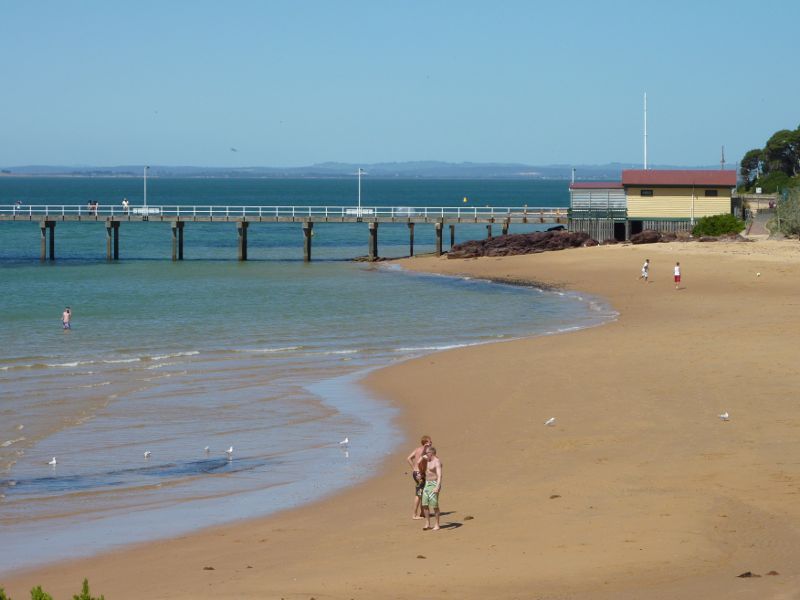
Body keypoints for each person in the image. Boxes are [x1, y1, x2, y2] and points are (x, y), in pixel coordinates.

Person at [406, 435, 432, 519]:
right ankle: (414, 514)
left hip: (416, 472)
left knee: (422, 492)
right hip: (419, 474)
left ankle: (422, 513)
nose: (431, 442)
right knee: (419, 494)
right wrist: (420, 471)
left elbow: (409, 458)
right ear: (426, 443)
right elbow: (421, 459)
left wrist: (413, 468)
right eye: (430, 441)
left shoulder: (417, 449)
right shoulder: (425, 450)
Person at [421, 445, 442, 531]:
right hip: (427, 483)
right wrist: (424, 456)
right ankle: (427, 523)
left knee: (434, 505)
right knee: (425, 504)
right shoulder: (427, 459)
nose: (426, 454)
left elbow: (440, 475)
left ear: (431, 453)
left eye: (427, 453)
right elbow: (421, 458)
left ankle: (437, 524)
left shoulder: (437, 462)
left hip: (434, 483)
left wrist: (437, 486)